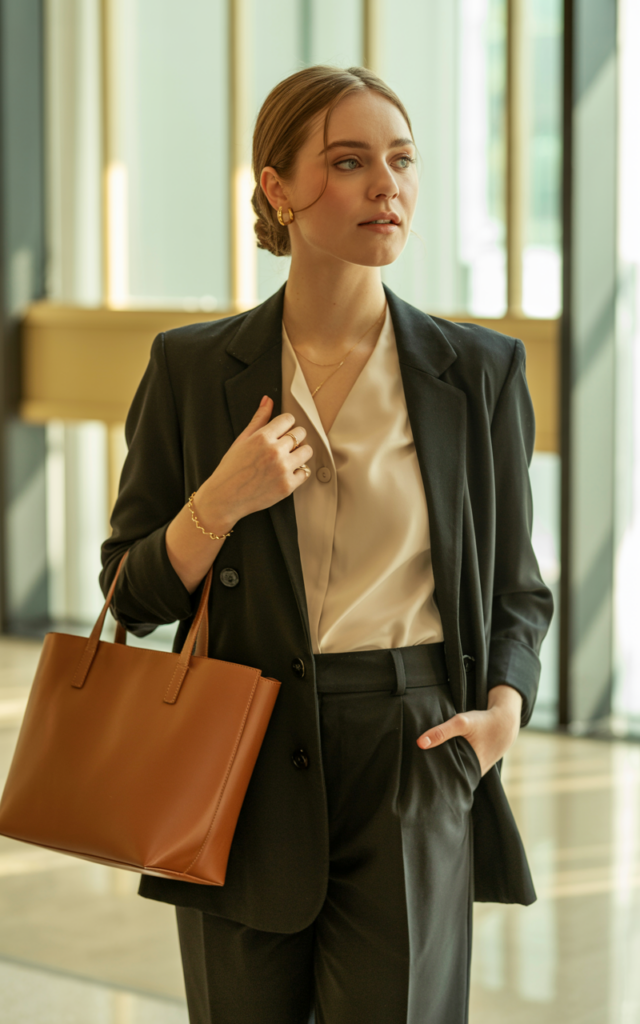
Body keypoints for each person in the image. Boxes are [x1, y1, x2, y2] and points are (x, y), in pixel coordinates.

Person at [101, 64, 553, 1024]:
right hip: (237, 750)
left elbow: (518, 587)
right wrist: (217, 502)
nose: (386, 186)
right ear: (277, 189)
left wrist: (502, 715)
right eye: (349, 162)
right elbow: (132, 595)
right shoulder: (191, 368)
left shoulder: (477, 371)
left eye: (401, 160)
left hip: (413, 747)